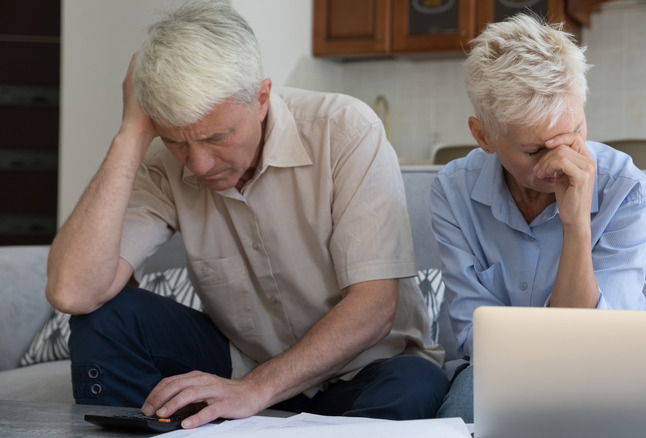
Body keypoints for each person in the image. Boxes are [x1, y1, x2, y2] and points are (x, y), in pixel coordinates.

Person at [45, 1, 448, 428]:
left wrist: (257, 388)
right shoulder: (166, 163)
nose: (198, 165)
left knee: (414, 386)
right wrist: (131, 135)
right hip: (241, 362)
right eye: (177, 142)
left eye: (217, 137)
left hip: (364, 371)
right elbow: (72, 292)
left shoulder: (346, 131)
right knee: (108, 317)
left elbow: (374, 306)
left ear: (261, 98)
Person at [432, 14, 646, 422]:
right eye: (536, 151)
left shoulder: (627, 191)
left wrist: (576, 226)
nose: (561, 163)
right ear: (483, 136)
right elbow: (477, 341)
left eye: (574, 134)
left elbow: (589, 347)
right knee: (467, 409)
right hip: (499, 374)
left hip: (606, 371)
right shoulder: (453, 191)